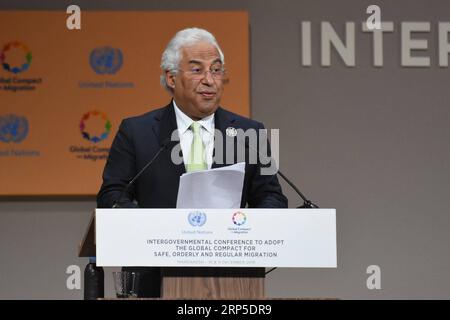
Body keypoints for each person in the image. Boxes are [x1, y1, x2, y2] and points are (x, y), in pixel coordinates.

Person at [97, 27, 287, 297]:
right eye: (197, 70)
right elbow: (112, 196)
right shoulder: (136, 132)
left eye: (217, 70)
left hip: (234, 281)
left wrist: (246, 227)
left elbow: (272, 197)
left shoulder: (250, 133)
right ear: (171, 78)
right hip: (152, 281)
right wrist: (155, 229)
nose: (209, 80)